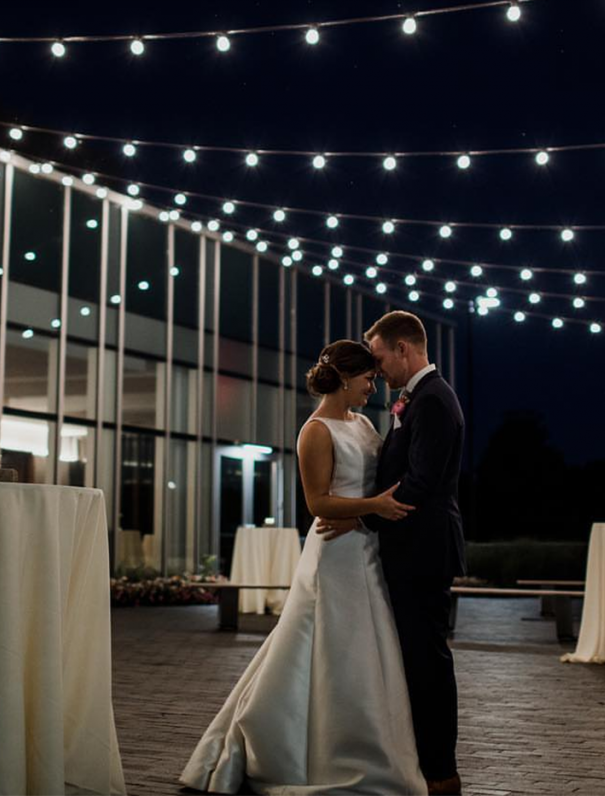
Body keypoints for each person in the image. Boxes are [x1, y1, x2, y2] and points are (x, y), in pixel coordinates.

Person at [179, 339, 427, 795]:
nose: (372, 386)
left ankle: (365, 742)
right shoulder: (315, 431)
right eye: (367, 378)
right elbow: (316, 502)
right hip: (334, 552)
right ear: (345, 378)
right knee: (328, 644)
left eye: (374, 377)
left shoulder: (364, 423)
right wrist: (377, 506)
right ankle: (289, 743)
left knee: (364, 648)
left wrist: (367, 514)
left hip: (364, 546)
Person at [321, 311, 465, 795]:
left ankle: (441, 771)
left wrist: (358, 517)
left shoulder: (433, 402)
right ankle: (420, 762)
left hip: (423, 550)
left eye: (380, 357)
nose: (376, 369)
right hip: (407, 548)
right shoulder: (416, 400)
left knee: (428, 661)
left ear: (403, 348)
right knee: (415, 659)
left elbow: (420, 483)